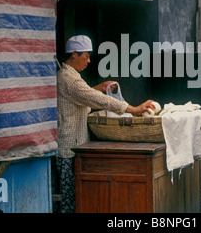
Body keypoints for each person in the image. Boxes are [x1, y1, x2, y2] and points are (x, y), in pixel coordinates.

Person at [56, 35, 155, 213]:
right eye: (86, 56)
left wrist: (99, 87)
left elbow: (83, 96)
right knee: (70, 199)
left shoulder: (70, 76)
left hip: (75, 144)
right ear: (75, 54)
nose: (88, 61)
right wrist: (133, 109)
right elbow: (97, 100)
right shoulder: (69, 78)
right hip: (68, 149)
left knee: (76, 197)